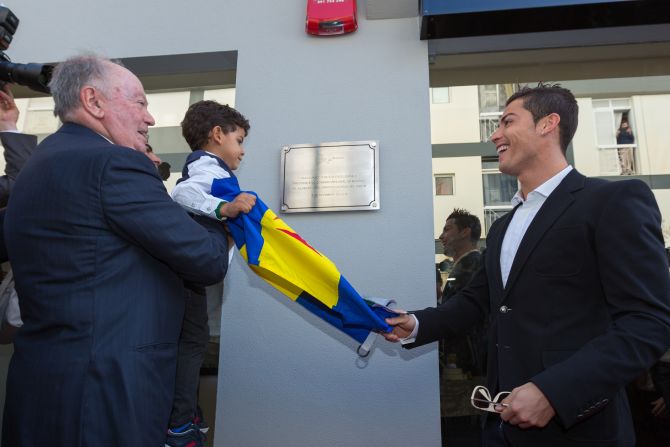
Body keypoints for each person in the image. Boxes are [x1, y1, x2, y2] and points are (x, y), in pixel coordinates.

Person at [384, 83, 670, 447]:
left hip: (580, 430)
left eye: (507, 121)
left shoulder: (612, 201)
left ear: (548, 124)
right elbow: (476, 301)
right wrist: (415, 324)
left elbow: (648, 323)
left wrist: (554, 391)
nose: (495, 134)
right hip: (500, 428)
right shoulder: (503, 226)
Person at [1, 54, 231, 447]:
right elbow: (206, 259)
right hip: (105, 393)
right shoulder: (115, 165)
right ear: (94, 102)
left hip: (43, 386)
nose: (150, 118)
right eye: (140, 102)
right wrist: (216, 208)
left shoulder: (43, 162)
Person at [166, 100, 255, 447]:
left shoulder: (214, 169)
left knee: (193, 341)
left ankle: (185, 414)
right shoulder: (208, 167)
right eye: (240, 140)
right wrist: (225, 208)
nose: (243, 151)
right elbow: (183, 193)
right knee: (191, 342)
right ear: (217, 135)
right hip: (188, 276)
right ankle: (179, 422)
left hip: (194, 273)